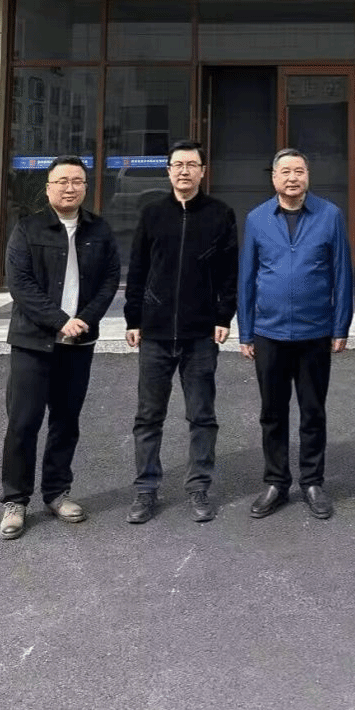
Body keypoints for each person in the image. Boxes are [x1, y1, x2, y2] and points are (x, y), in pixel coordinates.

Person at [0, 155, 120, 540]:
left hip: (78, 342)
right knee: (23, 422)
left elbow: (110, 279)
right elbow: (20, 284)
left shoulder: (99, 230)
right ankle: (15, 500)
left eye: (77, 181)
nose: (70, 188)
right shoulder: (28, 228)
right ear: (48, 187)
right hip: (32, 342)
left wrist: (85, 319)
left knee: (66, 421)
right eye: (63, 181)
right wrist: (59, 319)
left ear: (86, 186)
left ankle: (56, 493)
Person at [123, 140, 238, 525]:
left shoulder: (220, 214)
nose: (184, 171)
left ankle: (199, 487)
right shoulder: (152, 213)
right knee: (148, 417)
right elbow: (137, 269)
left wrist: (224, 316)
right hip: (154, 333)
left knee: (202, 415)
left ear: (203, 171)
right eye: (178, 165)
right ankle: (145, 490)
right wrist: (133, 319)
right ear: (168, 170)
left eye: (192, 164)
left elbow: (229, 272)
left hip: (200, 334)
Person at [238, 149, 353, 521]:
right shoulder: (257, 219)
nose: (292, 178)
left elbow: (342, 274)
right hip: (268, 332)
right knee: (272, 413)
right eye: (285, 171)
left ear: (308, 176)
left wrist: (341, 326)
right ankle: (276, 481)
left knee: (312, 411)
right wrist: (246, 331)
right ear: (274, 178)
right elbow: (247, 278)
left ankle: (313, 481)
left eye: (299, 171)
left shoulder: (329, 215)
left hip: (314, 331)